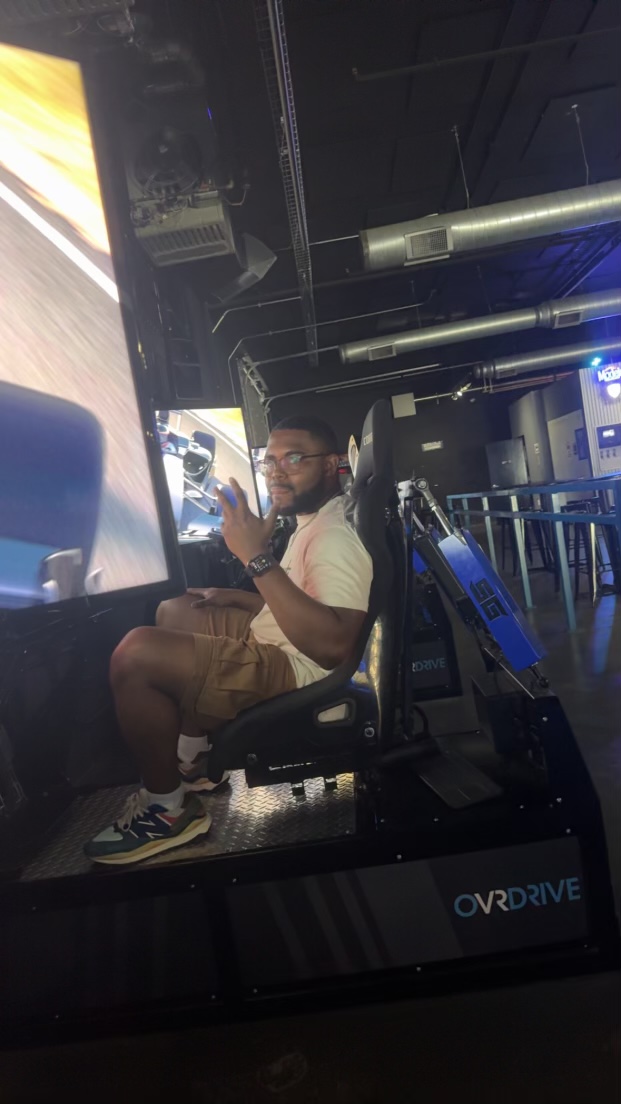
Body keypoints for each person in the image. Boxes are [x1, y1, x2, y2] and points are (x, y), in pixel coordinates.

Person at [85, 416, 373, 864]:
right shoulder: (314, 519)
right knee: (177, 609)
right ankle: (194, 760)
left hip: (295, 667)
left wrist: (255, 557)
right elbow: (302, 602)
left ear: (332, 463)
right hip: (279, 640)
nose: (276, 472)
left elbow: (333, 647)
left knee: (134, 655)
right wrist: (237, 596)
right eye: (269, 461)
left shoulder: (334, 537)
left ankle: (166, 810)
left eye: (294, 458)